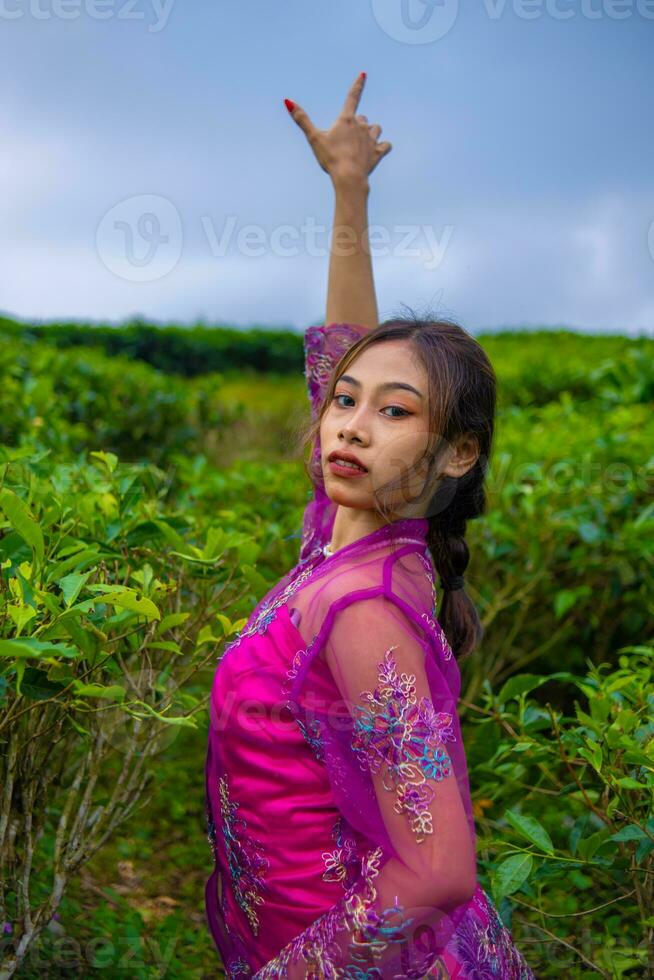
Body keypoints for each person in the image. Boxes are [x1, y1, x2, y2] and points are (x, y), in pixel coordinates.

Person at [204, 72, 535, 978]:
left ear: (457, 453)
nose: (350, 422)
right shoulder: (350, 536)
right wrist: (350, 189)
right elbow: (343, 348)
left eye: (397, 412)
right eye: (346, 402)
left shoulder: (363, 611)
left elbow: (437, 872)